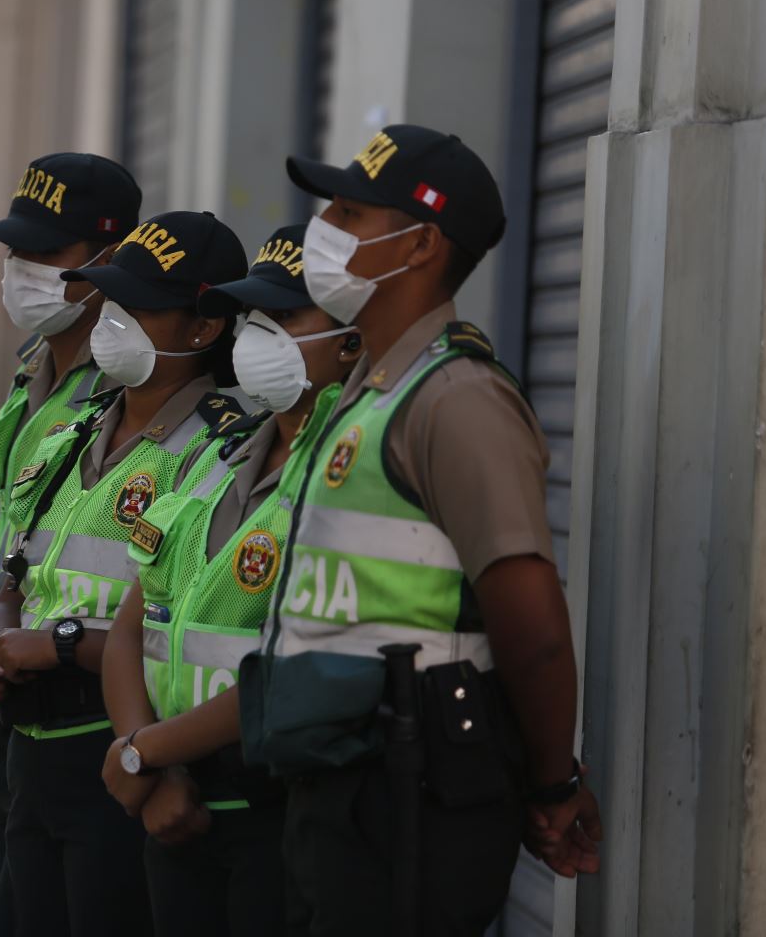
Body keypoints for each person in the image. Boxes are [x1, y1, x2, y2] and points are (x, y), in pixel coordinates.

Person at [255, 125, 602, 935]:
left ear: (421, 246)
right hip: (336, 779)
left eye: (351, 213)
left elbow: (533, 623)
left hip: (408, 785)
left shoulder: (455, 399)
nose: (324, 231)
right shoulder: (365, 392)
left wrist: (552, 785)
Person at [0, 209, 251, 937]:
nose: (113, 320)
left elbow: (174, 630)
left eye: (142, 306)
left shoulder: (218, 451)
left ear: (203, 329)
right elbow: (16, 569)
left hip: (116, 754)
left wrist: (59, 643)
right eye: (111, 298)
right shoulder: (78, 428)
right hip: (28, 755)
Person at [97, 222, 362, 936]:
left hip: (273, 814)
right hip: (175, 806)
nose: (257, 336)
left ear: (351, 342)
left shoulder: (352, 469)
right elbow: (132, 627)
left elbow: (299, 664)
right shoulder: (221, 454)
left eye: (285, 317)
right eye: (254, 318)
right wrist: (146, 763)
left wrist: (143, 751)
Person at [0, 152, 140, 937]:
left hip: (90, 722)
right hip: (12, 714)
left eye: (45, 255)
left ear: (110, 263)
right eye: (14, 253)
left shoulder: (135, 392)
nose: (20, 271)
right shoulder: (35, 369)